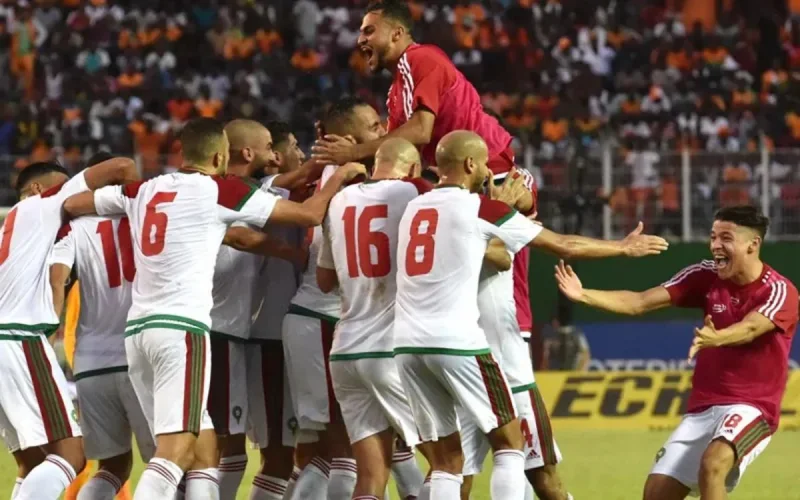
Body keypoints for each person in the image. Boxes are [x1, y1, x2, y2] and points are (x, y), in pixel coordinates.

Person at [61, 118, 367, 500]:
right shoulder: (220, 190)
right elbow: (308, 215)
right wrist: (342, 176)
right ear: (220, 156)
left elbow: (73, 203)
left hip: (138, 331)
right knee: (175, 451)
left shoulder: (144, 189)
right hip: (181, 329)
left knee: (204, 449)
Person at [313, 0, 540, 451]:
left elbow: (418, 133)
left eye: (369, 30)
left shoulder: (421, 60)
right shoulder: (396, 90)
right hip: (458, 192)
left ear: (397, 34)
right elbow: (400, 153)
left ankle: (522, 424)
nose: (360, 39)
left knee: (504, 321)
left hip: (490, 179)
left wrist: (352, 155)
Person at [393, 130, 668, 499]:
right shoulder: (482, 209)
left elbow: (492, 254)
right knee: (510, 446)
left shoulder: (414, 208)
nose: (488, 174)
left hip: (406, 345)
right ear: (471, 164)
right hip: (461, 344)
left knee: (445, 463)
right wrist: (622, 247)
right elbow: (564, 245)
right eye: (484, 166)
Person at [554, 205, 798, 500]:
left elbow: (751, 328)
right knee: (656, 493)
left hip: (752, 408)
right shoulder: (705, 274)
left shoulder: (779, 290)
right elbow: (640, 302)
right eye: (713, 237)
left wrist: (718, 337)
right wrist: (583, 294)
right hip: (702, 409)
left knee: (713, 465)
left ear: (752, 244)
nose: (715, 245)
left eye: (726, 238)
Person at [0, 156, 138, 500]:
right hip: (18, 338)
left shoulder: (13, 228)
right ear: (38, 188)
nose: (72, 199)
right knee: (71, 457)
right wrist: (137, 202)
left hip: (7, 341)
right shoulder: (42, 205)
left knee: (32, 462)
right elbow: (122, 166)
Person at [282, 99, 387, 500]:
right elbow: (329, 277)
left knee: (324, 451)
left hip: (317, 319)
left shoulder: (333, 177)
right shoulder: (351, 180)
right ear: (345, 138)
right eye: (373, 126)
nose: (382, 132)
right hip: (323, 317)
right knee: (345, 448)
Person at [317, 137, 429, 500]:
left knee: (369, 477)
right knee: (451, 460)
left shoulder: (338, 200)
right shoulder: (412, 192)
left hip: (346, 350)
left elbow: (324, 280)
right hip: (389, 349)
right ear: (413, 168)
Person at [209, 119, 307, 500]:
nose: (300, 154)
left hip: (244, 334)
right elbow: (244, 237)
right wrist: (344, 164)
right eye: (289, 146)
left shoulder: (230, 191)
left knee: (236, 453)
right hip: (248, 336)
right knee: (225, 451)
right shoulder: (257, 191)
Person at [48, 152, 155, 500]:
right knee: (167, 461)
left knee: (111, 467)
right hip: (143, 353)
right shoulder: (148, 217)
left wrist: (47, 337)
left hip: (92, 361)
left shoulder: (72, 228)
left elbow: (56, 282)